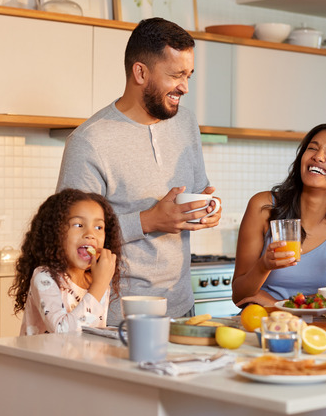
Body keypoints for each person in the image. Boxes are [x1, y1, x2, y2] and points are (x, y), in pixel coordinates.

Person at [56, 17, 221, 324]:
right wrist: (148, 220)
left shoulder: (186, 124)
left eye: (189, 75)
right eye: (175, 75)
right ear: (141, 72)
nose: (184, 87)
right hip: (119, 315)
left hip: (182, 307)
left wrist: (207, 207)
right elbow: (68, 234)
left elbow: (198, 189)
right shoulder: (90, 141)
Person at [232, 124, 326, 307]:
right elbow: (239, 296)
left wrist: (280, 305)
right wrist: (264, 265)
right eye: (312, 148)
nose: (318, 156)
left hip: (316, 331)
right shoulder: (263, 206)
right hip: (261, 323)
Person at [9, 189, 123, 335]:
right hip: (44, 358)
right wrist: (99, 285)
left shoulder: (96, 280)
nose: (90, 234)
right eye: (78, 225)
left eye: (98, 227)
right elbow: (62, 332)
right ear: (55, 232)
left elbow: (93, 332)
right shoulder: (45, 277)